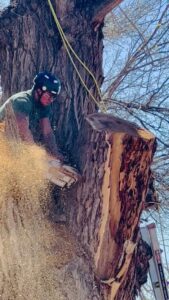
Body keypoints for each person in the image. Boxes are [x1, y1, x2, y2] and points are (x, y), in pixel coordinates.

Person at [0, 71, 64, 161]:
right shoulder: (22, 101)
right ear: (39, 90)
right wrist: (36, 154)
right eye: (49, 95)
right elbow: (23, 130)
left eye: (53, 97)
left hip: (11, 137)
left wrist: (55, 154)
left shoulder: (43, 104)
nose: (51, 100)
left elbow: (47, 132)